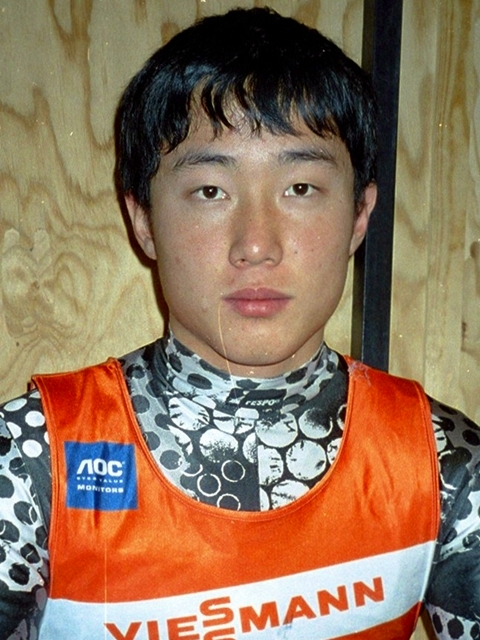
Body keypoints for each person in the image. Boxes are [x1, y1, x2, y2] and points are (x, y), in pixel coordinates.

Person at [0, 7, 479, 639]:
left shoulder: (442, 464)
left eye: (300, 188)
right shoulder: (31, 458)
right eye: (210, 191)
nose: (256, 245)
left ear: (360, 216)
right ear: (143, 220)